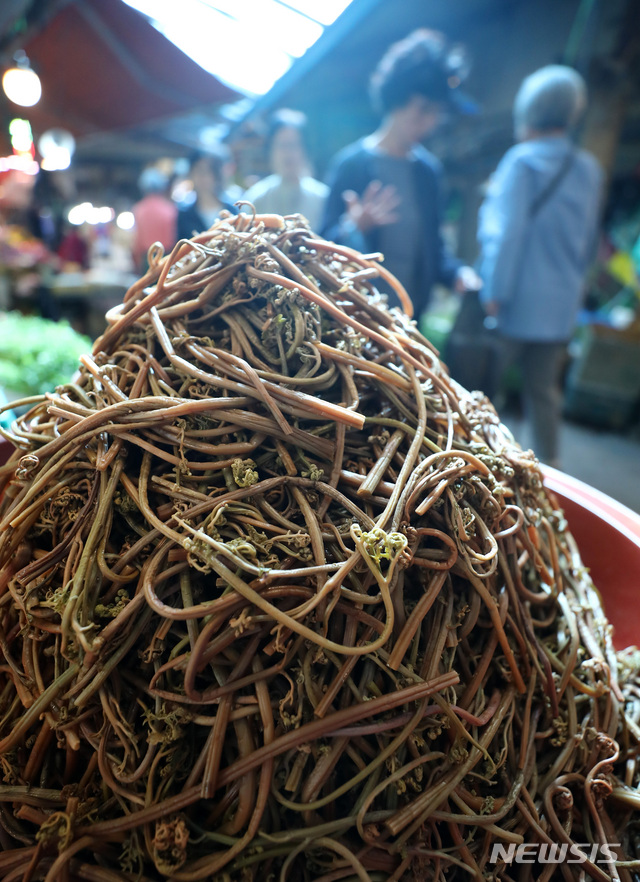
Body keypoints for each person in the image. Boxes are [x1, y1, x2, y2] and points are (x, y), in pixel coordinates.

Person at [477, 65, 603, 468]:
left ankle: (475, 465)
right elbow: (589, 242)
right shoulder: (589, 169)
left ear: (528, 109)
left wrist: (494, 291)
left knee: (482, 392)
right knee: (544, 393)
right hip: (560, 305)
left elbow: (507, 234)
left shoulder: (522, 162)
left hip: (515, 298)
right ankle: (549, 472)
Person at [321, 29, 480, 315]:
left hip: (410, 319)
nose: (429, 122)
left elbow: (434, 249)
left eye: (436, 113)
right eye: (423, 109)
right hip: (358, 316)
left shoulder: (428, 173)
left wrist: (458, 273)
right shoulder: (352, 166)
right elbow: (319, 246)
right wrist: (354, 226)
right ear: (397, 99)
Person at [243, 109, 328, 231]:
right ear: (270, 150)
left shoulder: (322, 198)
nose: (287, 153)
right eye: (282, 145)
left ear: (305, 149)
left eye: (293, 145)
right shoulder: (256, 198)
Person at [177, 149, 237, 241]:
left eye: (208, 171)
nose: (203, 176)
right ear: (191, 173)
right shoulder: (184, 215)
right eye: (199, 171)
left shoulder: (233, 211)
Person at [131, 167, 177, 273]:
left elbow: (137, 242)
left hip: (147, 259)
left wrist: (136, 263)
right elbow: (174, 238)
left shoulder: (139, 209)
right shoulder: (170, 209)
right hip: (167, 259)